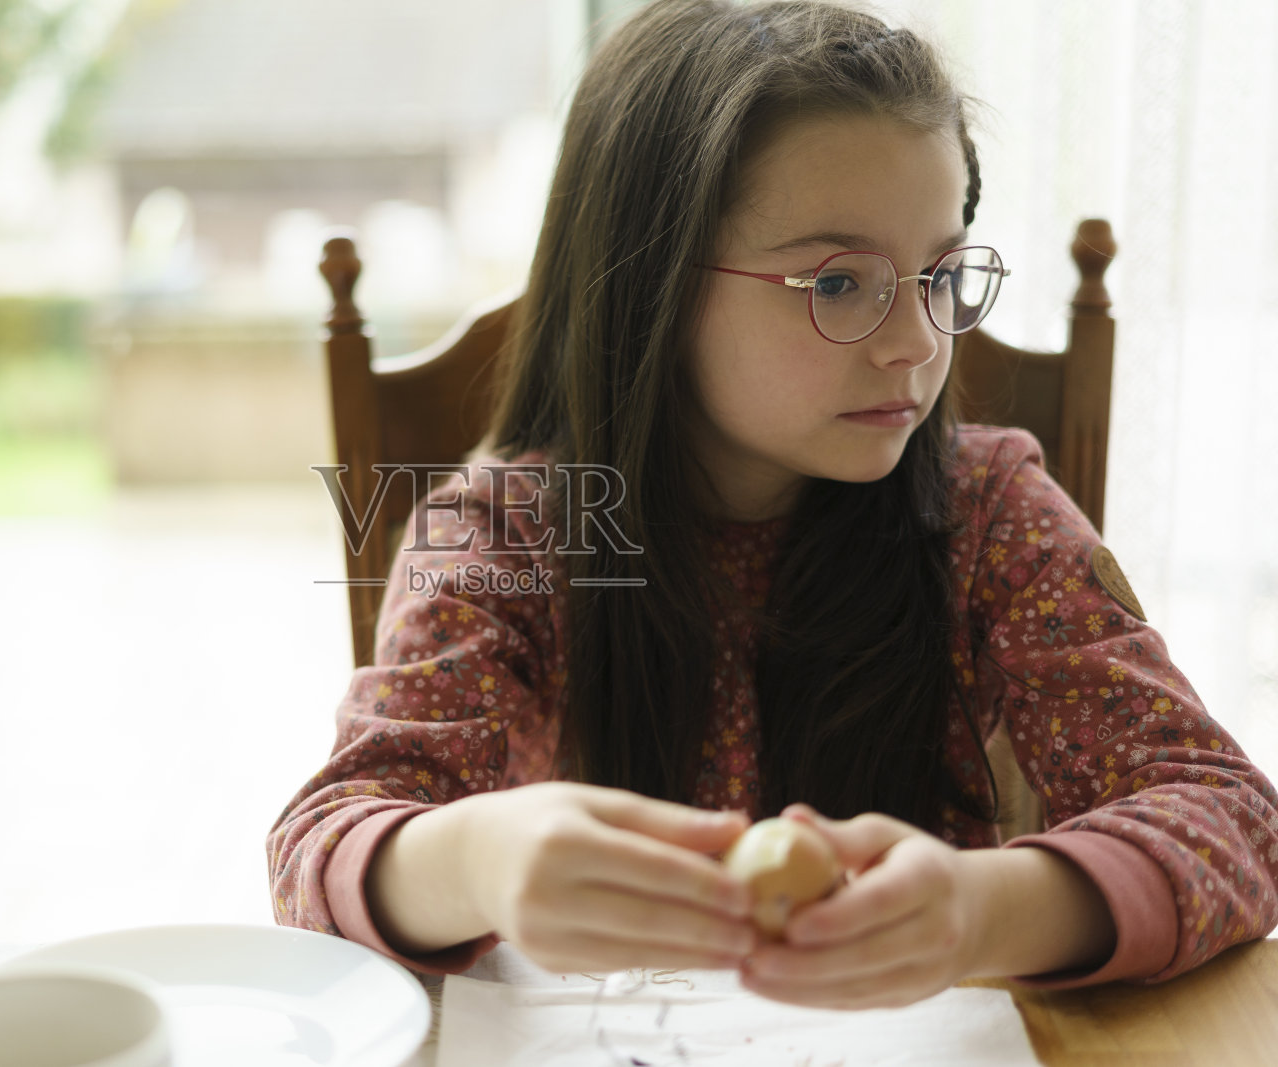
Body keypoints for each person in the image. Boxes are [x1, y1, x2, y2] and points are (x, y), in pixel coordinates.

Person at [267, 0, 1278, 1010]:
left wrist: (982, 907)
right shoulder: (509, 535)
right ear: (650, 287)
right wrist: (475, 860)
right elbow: (324, 843)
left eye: (937, 274)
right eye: (839, 283)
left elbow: (1232, 817)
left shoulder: (988, 510)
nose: (919, 343)